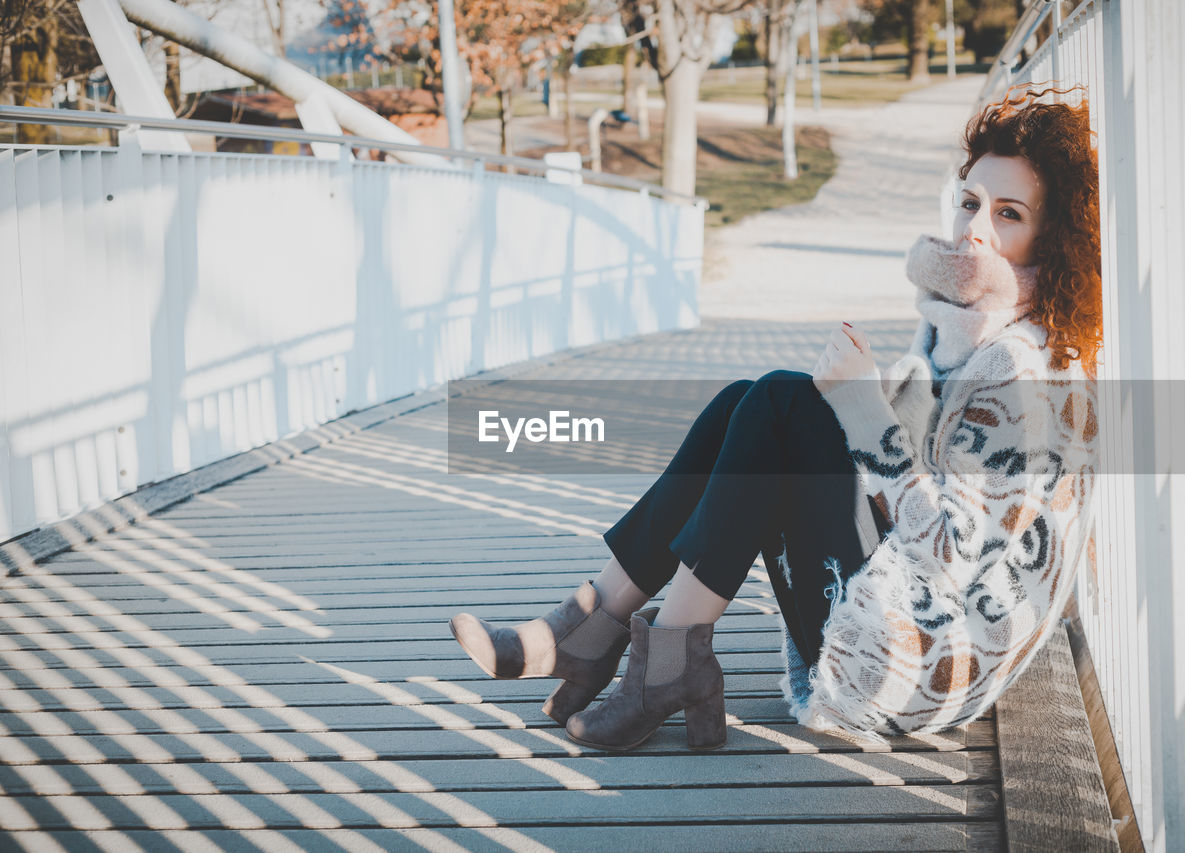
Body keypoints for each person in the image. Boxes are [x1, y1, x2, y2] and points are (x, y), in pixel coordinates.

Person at [449, 84, 1103, 752]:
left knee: (781, 401)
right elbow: (896, 484)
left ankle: (649, 657)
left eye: (1008, 214)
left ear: (1049, 245)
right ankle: (597, 632)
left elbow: (951, 559)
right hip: (903, 608)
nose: (974, 229)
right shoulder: (967, 329)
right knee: (749, 401)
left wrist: (866, 416)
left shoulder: (1021, 372)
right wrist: (862, 421)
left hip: (915, 663)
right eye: (970, 202)